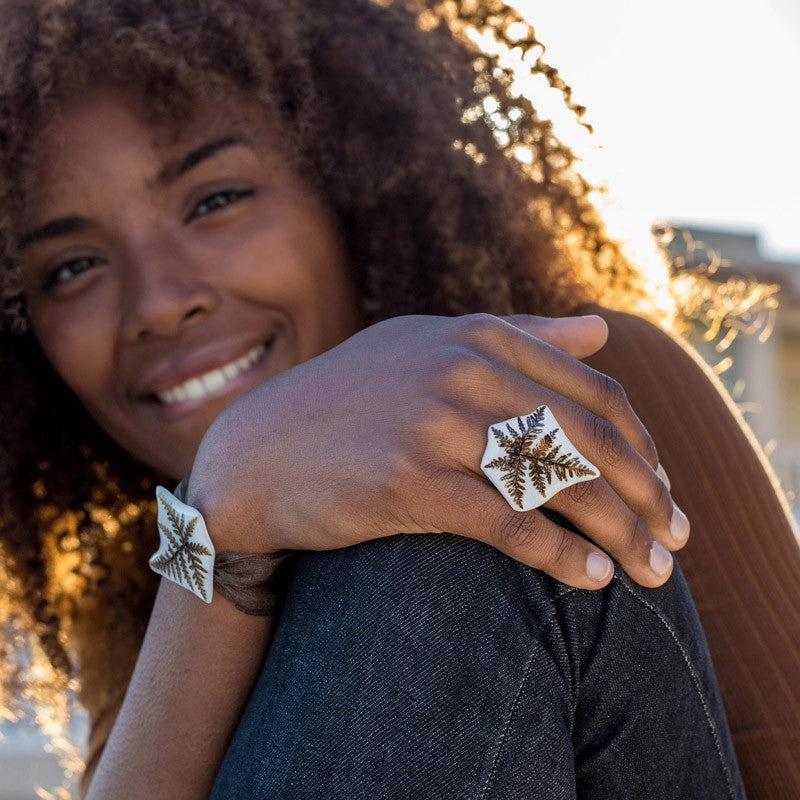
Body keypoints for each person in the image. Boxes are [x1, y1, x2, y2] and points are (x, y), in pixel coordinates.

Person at [0, 0, 797, 797]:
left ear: (349, 187)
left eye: (215, 201)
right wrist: (217, 530)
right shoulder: (139, 589)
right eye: (71, 267)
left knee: (457, 487)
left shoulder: (575, 389)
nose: (159, 303)